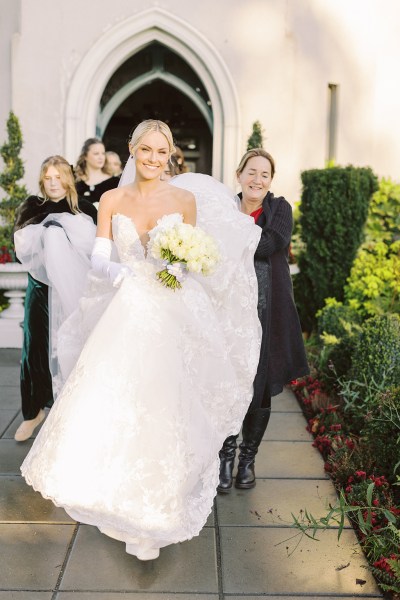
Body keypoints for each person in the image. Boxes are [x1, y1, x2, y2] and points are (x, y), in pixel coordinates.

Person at [20, 120, 262, 561]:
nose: (153, 158)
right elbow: (99, 257)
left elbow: (192, 250)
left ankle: (158, 508)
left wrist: (179, 268)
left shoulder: (185, 199)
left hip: (174, 308)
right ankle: (125, 501)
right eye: (145, 149)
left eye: (161, 151)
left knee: (169, 403)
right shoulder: (112, 198)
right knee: (123, 405)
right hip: (128, 305)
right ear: (132, 149)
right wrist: (119, 271)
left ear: (170, 154)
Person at [217, 148, 309, 493]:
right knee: (227, 384)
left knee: (261, 384)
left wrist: (231, 238)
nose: (258, 180)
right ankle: (224, 458)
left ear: (271, 181)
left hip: (268, 308)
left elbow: (273, 241)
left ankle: (248, 460)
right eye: (251, 172)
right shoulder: (223, 207)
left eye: (265, 175)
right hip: (227, 310)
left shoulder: (279, 208)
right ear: (239, 174)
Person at [13, 156, 97, 442]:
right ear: (42, 180)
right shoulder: (31, 207)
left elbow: (96, 250)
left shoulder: (83, 209)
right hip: (40, 289)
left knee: (73, 347)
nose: (53, 183)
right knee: (34, 348)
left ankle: (71, 410)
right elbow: (20, 250)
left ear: (68, 179)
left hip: (76, 291)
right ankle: (33, 411)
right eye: (48, 178)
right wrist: (45, 234)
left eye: (58, 177)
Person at [74, 138, 120, 205]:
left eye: (103, 153)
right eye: (96, 154)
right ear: (85, 156)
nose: (101, 157)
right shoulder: (75, 180)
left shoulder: (114, 182)